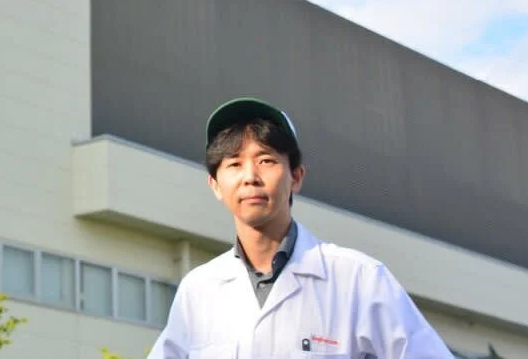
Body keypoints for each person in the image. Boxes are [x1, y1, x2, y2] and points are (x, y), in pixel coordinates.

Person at [146, 97, 453, 358]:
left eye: (266, 160)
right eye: (234, 164)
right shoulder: (199, 291)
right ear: (215, 184)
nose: (250, 177)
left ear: (296, 176)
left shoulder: (359, 280)